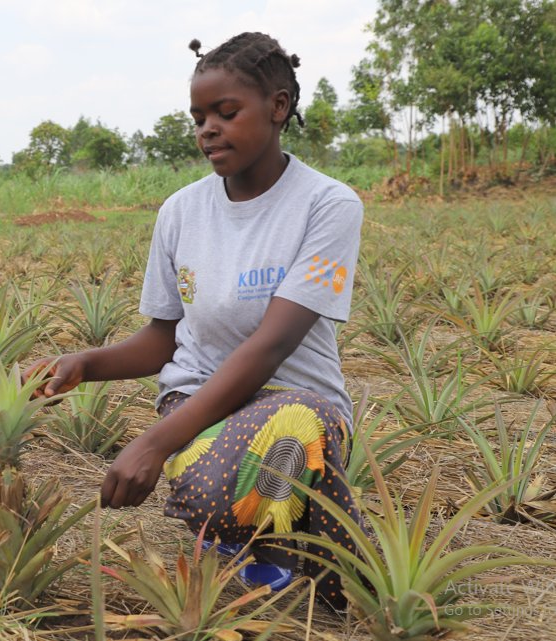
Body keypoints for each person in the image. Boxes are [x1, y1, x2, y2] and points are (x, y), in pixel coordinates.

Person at [24, 32, 363, 610]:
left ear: (278, 107)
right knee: (217, 492)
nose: (207, 128)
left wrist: (153, 445)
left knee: (290, 426)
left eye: (226, 113)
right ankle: (314, 552)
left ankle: (279, 543)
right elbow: (164, 339)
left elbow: (271, 346)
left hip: (299, 407)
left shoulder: (327, 205)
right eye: (199, 116)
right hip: (198, 405)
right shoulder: (181, 211)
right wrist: (83, 362)